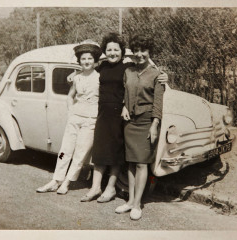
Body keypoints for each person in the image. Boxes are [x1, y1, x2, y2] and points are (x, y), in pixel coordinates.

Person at [80, 32, 168, 203]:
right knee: (99, 150)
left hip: (121, 114)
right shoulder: (102, 66)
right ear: (105, 51)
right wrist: (73, 75)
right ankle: (95, 187)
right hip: (103, 113)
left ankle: (111, 188)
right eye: (109, 49)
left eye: (116, 49)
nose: (112, 53)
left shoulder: (127, 67)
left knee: (116, 152)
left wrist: (165, 76)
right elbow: (86, 70)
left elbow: (145, 78)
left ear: (121, 51)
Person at [36, 39, 102, 195]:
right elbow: (70, 96)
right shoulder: (77, 77)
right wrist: (70, 110)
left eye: (90, 58)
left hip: (90, 120)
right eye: (84, 59)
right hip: (75, 118)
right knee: (65, 150)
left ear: (95, 61)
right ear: (79, 61)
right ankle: (55, 180)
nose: (86, 61)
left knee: (80, 154)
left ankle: (66, 182)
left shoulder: (100, 77)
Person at [115, 34, 164, 220]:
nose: (139, 54)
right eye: (136, 50)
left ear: (149, 52)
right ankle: (129, 202)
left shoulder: (157, 75)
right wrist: (124, 107)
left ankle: (137, 204)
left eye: (143, 50)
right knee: (131, 162)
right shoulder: (128, 71)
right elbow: (123, 93)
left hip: (146, 122)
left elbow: (158, 103)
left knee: (142, 163)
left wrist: (155, 125)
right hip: (130, 122)